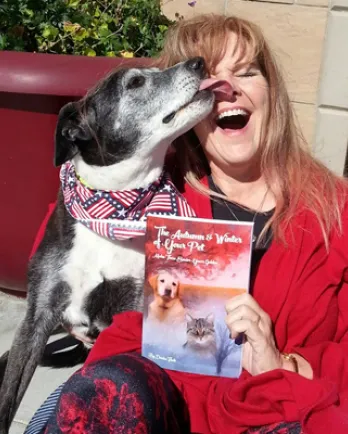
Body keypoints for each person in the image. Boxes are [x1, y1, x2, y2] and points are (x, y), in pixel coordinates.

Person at [25, 13, 348, 434]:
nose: (227, 89)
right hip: (160, 405)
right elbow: (60, 239)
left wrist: (286, 365)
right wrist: (81, 300)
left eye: (246, 72)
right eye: (209, 77)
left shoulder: (334, 211)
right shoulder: (153, 194)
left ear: (273, 93)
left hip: (278, 415)